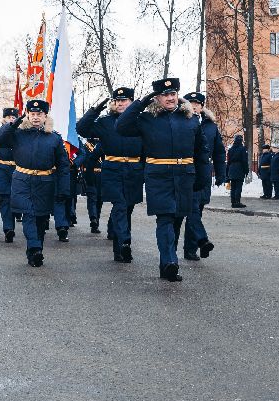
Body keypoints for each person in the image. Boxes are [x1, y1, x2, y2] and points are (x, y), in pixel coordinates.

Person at [117, 77, 209, 282]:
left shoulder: (190, 118)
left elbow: (201, 151)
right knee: (165, 219)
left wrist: (203, 178)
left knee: (177, 220)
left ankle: (166, 263)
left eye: (173, 94)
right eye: (165, 94)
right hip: (159, 176)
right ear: (157, 98)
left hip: (185, 176)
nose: (170, 98)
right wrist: (140, 103)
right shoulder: (147, 119)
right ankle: (170, 262)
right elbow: (121, 127)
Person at [0, 100, 70, 266]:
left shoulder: (54, 138)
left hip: (45, 182)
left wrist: (63, 190)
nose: (36, 117)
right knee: (29, 215)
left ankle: (35, 250)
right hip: (22, 181)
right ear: (27, 115)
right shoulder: (17, 134)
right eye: (32, 114)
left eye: (39, 114)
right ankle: (35, 248)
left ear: (46, 116)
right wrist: (13, 124)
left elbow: (63, 166)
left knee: (41, 218)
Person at [75, 86, 144, 263]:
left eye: (124, 100)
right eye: (117, 101)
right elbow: (82, 129)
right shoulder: (106, 122)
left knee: (127, 208)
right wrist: (95, 109)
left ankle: (118, 249)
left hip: (134, 170)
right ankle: (125, 243)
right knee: (120, 205)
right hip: (113, 169)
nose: (120, 104)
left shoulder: (140, 121)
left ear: (131, 102)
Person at [182, 92, 225, 261]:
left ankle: (190, 249)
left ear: (202, 106)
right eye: (191, 103)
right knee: (192, 209)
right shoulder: (182, 122)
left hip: (204, 173)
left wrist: (221, 173)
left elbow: (219, 152)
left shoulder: (211, 126)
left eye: (198, 104)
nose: (194, 106)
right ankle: (201, 240)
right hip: (187, 171)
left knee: (197, 210)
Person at [0, 107, 20, 242]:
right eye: (9, 117)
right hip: (2, 170)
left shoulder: (21, 132)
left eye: (14, 118)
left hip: (18, 169)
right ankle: (9, 229)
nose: (12, 119)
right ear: (4, 119)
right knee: (5, 199)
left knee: (19, 199)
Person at [76, 138, 103, 234]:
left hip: (101, 175)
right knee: (92, 197)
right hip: (89, 173)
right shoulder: (85, 146)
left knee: (99, 199)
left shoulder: (103, 143)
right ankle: (93, 218)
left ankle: (95, 222)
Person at [226, 134, 248, 208]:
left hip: (231, 169)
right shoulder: (242, 149)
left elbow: (228, 162)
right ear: (241, 140)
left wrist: (227, 171)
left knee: (233, 187)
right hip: (239, 168)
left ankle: (233, 202)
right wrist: (246, 171)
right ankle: (237, 202)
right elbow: (244, 161)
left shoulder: (230, 149)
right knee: (238, 187)